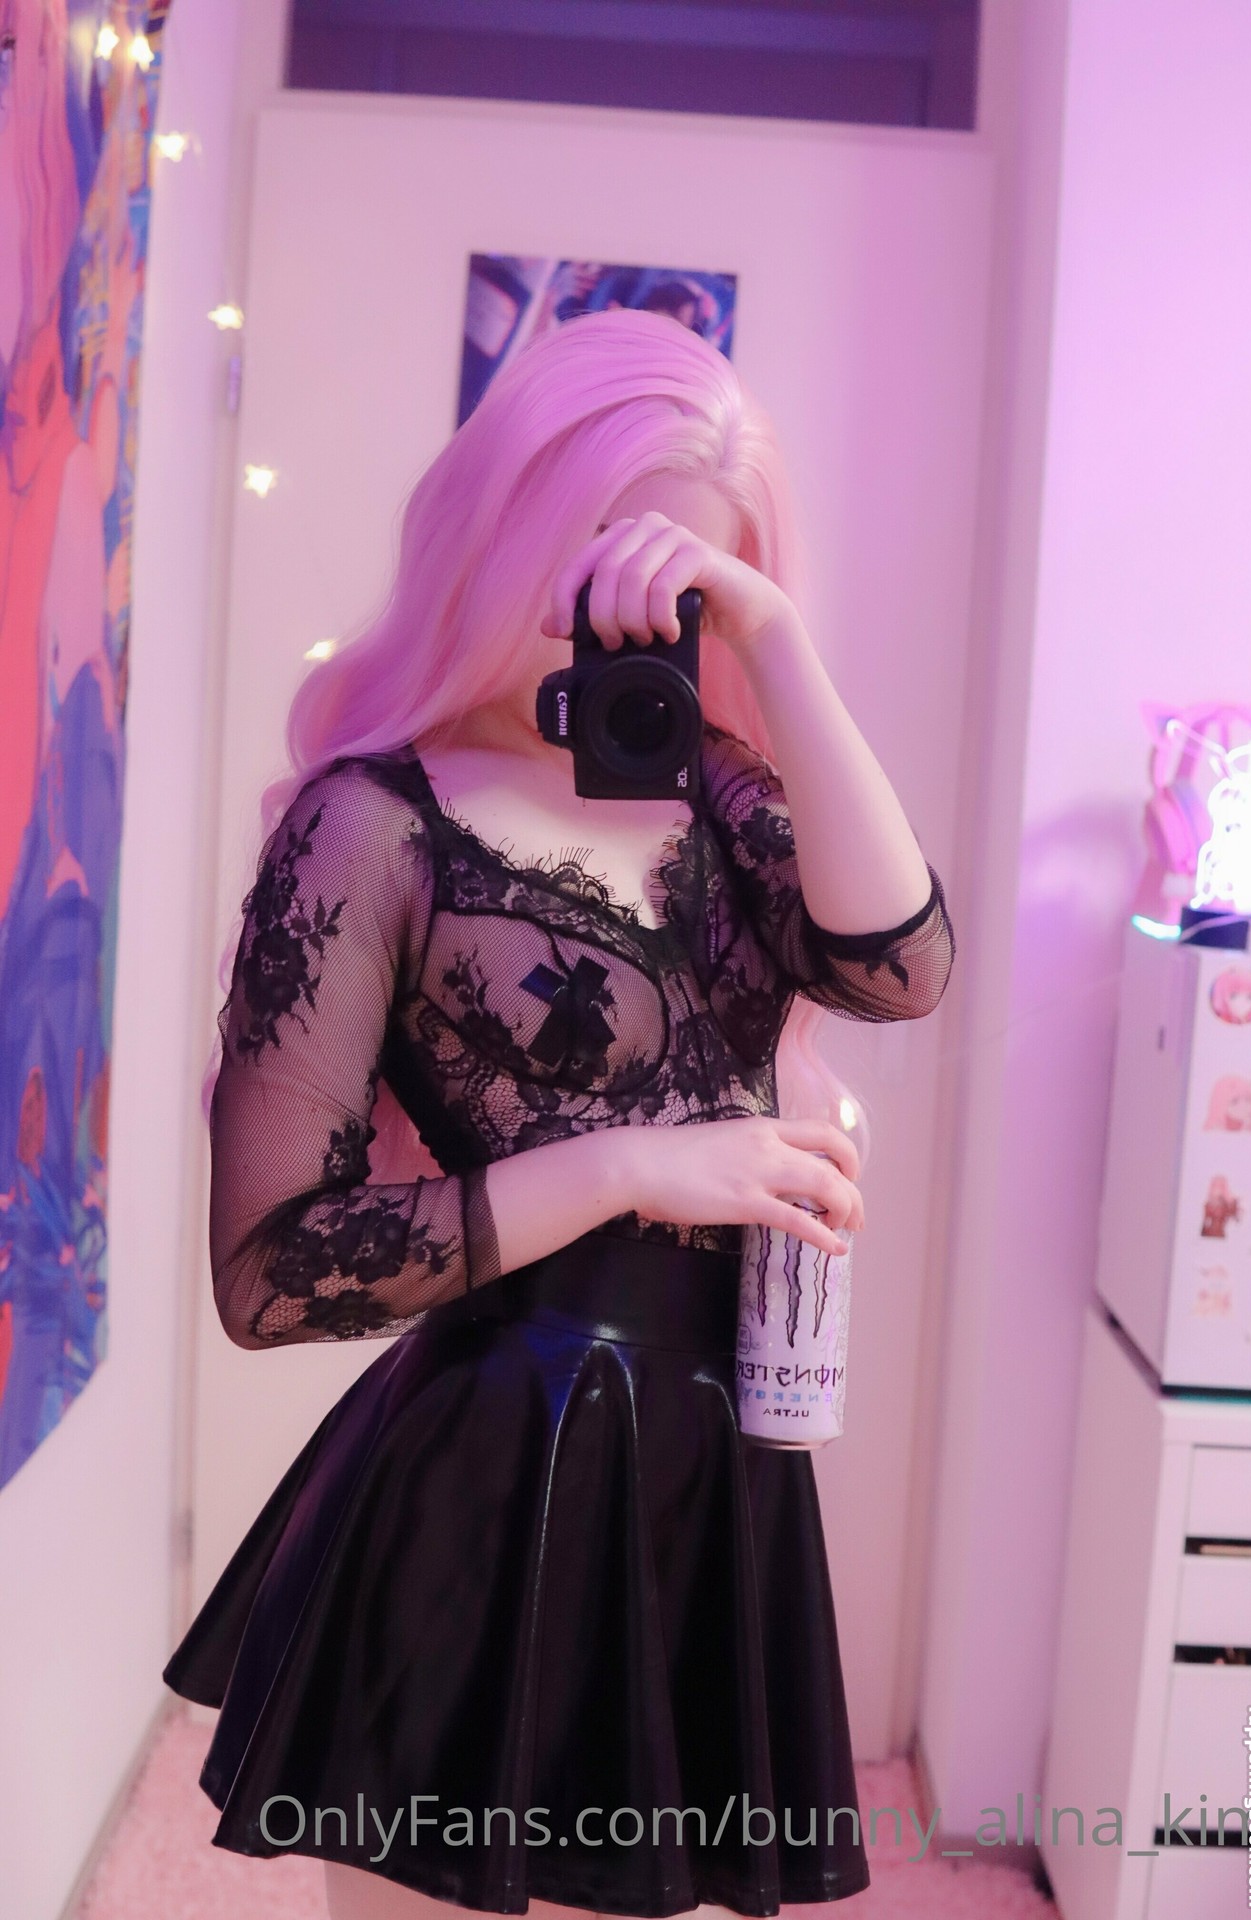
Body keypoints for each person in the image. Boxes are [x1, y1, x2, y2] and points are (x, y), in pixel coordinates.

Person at [161, 308, 956, 1920]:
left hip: (716, 1479)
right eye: (602, 553)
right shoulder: (373, 824)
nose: (628, 609)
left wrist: (774, 641)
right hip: (485, 1477)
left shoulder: (728, 795)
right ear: (507, 525)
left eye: (684, 579)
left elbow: (904, 966)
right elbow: (269, 1272)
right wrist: (637, 1165)